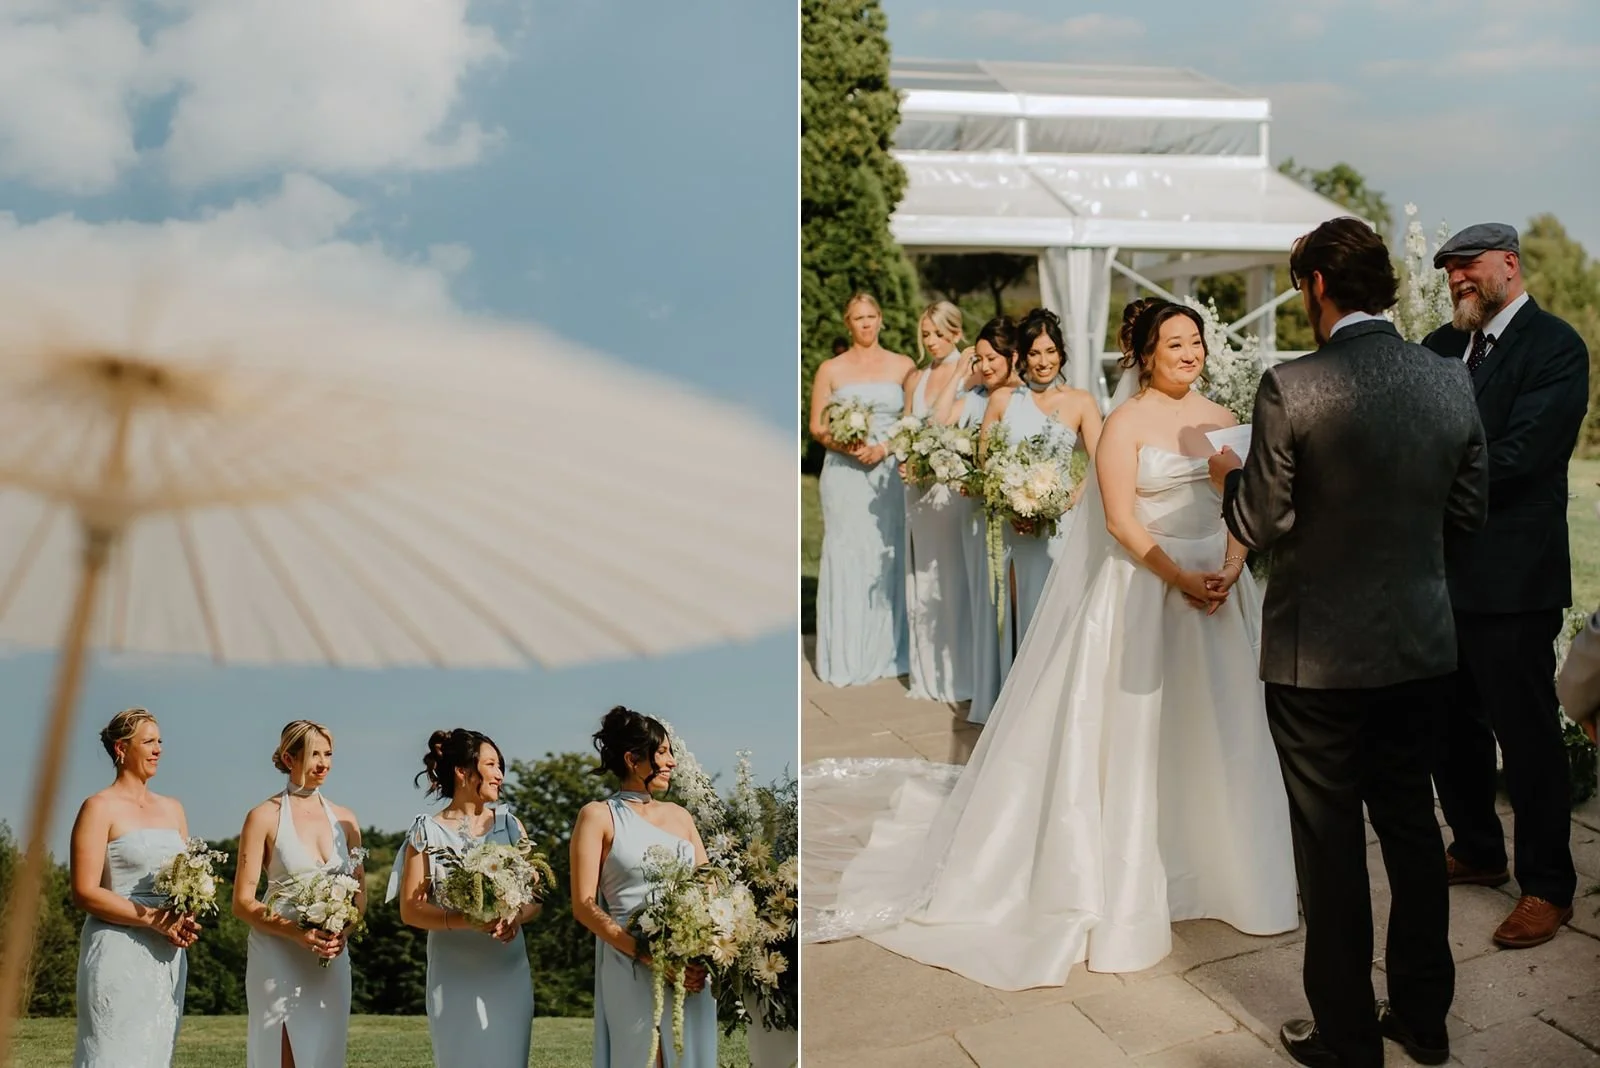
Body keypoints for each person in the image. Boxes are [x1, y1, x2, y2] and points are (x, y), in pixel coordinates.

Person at [801, 298, 1297, 992]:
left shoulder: (1224, 420)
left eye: (1196, 343)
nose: (1189, 354)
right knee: (1133, 743)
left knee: (1222, 734)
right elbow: (1122, 522)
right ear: (1145, 354)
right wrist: (1180, 575)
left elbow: (1243, 505)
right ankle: (1133, 881)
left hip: (1218, 591)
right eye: (1175, 343)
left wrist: (1232, 564)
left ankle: (1230, 871)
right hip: (1146, 594)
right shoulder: (1125, 422)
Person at [1212, 216, 1488, 1068]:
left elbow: (1257, 521)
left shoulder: (1291, 386)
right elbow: (1468, 515)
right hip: (1419, 651)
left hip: (1315, 662)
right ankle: (1423, 1020)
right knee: (1409, 830)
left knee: (1329, 850)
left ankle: (1345, 1040)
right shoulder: (1450, 382)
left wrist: (1230, 479)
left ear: (1318, 286)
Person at [1421, 222, 1590, 950]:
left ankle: (1548, 885)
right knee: (1446, 726)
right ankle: (1477, 848)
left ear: (1509, 265)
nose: (1458, 278)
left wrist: (1421, 478)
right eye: (1450, 269)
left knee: (1525, 739)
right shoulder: (1434, 347)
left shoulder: (1555, 347)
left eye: (1469, 266)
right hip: (1434, 577)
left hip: (1514, 579)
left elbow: (1523, 456)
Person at [570, 708, 716, 1067]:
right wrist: (650, 955)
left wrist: (703, 953)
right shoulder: (597, 815)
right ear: (633, 759)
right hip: (629, 963)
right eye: (663, 752)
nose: (672, 762)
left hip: (690, 966)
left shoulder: (681, 817)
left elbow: (711, 888)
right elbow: (584, 904)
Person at [390, 729, 538, 1066]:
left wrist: (515, 917)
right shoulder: (427, 830)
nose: (500, 774)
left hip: (508, 968)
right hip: (452, 971)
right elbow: (411, 910)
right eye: (491, 764)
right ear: (462, 771)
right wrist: (465, 920)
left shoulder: (511, 825)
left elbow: (535, 897)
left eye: (501, 765)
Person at [70, 708, 200, 1068]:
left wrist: (184, 917)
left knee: (156, 1054)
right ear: (121, 749)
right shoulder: (98, 807)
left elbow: (187, 882)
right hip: (117, 952)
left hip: (167, 958)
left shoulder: (174, 809)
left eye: (160, 741)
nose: (158, 749)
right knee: (111, 1055)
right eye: (148, 742)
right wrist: (155, 918)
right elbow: (83, 891)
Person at [234, 721, 365, 1067]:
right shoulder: (262, 816)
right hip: (277, 955)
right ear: (289, 758)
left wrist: (342, 934)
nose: (323, 763)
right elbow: (243, 902)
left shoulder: (346, 819)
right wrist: (297, 933)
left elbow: (360, 898)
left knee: (325, 1053)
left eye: (328, 753)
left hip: (330, 960)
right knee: (284, 1057)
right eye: (313, 754)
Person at [808, 292, 916, 686]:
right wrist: (847, 445)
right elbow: (818, 425)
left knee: (886, 553)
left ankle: (889, 648)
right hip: (844, 474)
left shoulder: (903, 366)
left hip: (887, 472)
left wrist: (884, 448)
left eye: (871, 316)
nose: (866, 323)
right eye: (858, 318)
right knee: (848, 551)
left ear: (881, 320)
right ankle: (847, 654)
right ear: (847, 322)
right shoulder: (831, 369)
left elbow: (911, 421)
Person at [901, 301, 975, 702]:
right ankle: (927, 673)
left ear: (956, 332)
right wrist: (905, 458)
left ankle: (960, 672)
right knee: (924, 579)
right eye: (926, 334)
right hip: (917, 491)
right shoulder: (916, 378)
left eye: (939, 334)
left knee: (954, 578)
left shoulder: (970, 376)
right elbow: (908, 427)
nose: (932, 341)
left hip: (952, 490)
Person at [952, 317, 1022, 725]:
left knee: (1014, 605)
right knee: (994, 603)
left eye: (991, 358)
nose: (986, 365)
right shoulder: (983, 396)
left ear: (1012, 356)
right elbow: (979, 457)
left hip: (1023, 514)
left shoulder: (1025, 397)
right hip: (990, 513)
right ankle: (997, 691)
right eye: (980, 359)